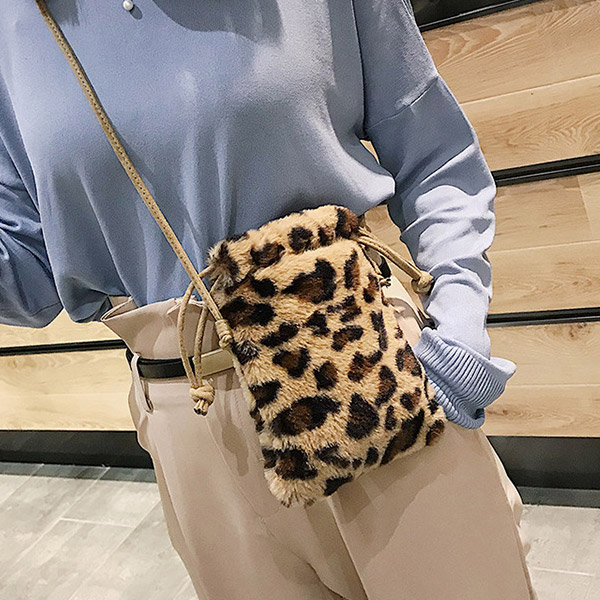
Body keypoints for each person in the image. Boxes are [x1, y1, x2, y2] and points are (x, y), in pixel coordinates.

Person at [1, 1, 537, 598]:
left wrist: (459, 321)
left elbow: (434, 151)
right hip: (188, 418)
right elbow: (29, 273)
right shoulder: (14, 28)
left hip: (368, 371)